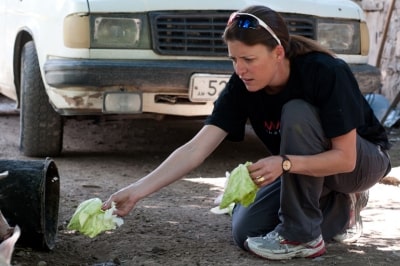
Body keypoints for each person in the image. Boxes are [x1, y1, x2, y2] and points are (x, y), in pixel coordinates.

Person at [102, 5, 391, 260]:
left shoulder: (324, 71)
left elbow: (345, 159)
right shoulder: (242, 86)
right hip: (306, 170)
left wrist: (285, 163)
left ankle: (302, 236)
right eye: (233, 60)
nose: (240, 69)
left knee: (297, 111)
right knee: (247, 231)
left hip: (360, 165)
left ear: (278, 52)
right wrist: (136, 192)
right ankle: (341, 211)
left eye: (249, 60)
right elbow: (195, 149)